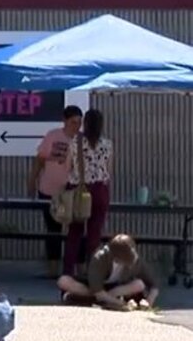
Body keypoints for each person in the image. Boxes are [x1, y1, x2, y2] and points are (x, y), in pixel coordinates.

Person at [30, 105, 81, 277]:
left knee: (76, 228)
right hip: (50, 189)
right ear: (65, 121)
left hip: (72, 191)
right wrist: (32, 181)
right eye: (73, 122)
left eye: (79, 123)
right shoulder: (53, 136)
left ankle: (77, 267)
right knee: (53, 229)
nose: (76, 126)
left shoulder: (82, 140)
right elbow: (40, 159)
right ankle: (52, 268)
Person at [63, 109, 113, 277]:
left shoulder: (75, 143)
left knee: (74, 234)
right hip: (100, 190)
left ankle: (68, 274)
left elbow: (68, 166)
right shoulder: (107, 144)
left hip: (79, 190)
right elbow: (108, 170)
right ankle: (94, 275)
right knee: (95, 235)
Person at [58, 233, 159, 310]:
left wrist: (149, 301)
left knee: (139, 284)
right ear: (117, 258)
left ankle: (85, 299)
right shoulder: (100, 257)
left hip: (117, 288)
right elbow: (97, 290)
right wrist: (121, 304)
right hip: (93, 287)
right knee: (63, 281)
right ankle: (101, 301)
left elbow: (153, 285)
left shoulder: (136, 260)